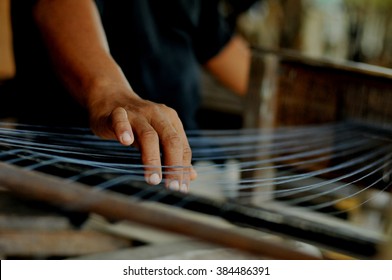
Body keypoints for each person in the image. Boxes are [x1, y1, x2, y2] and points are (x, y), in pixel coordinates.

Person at [10, 0, 252, 192]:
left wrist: (286, 100)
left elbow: (227, 53)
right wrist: (109, 94)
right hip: (79, 175)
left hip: (182, 174)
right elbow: (56, 6)